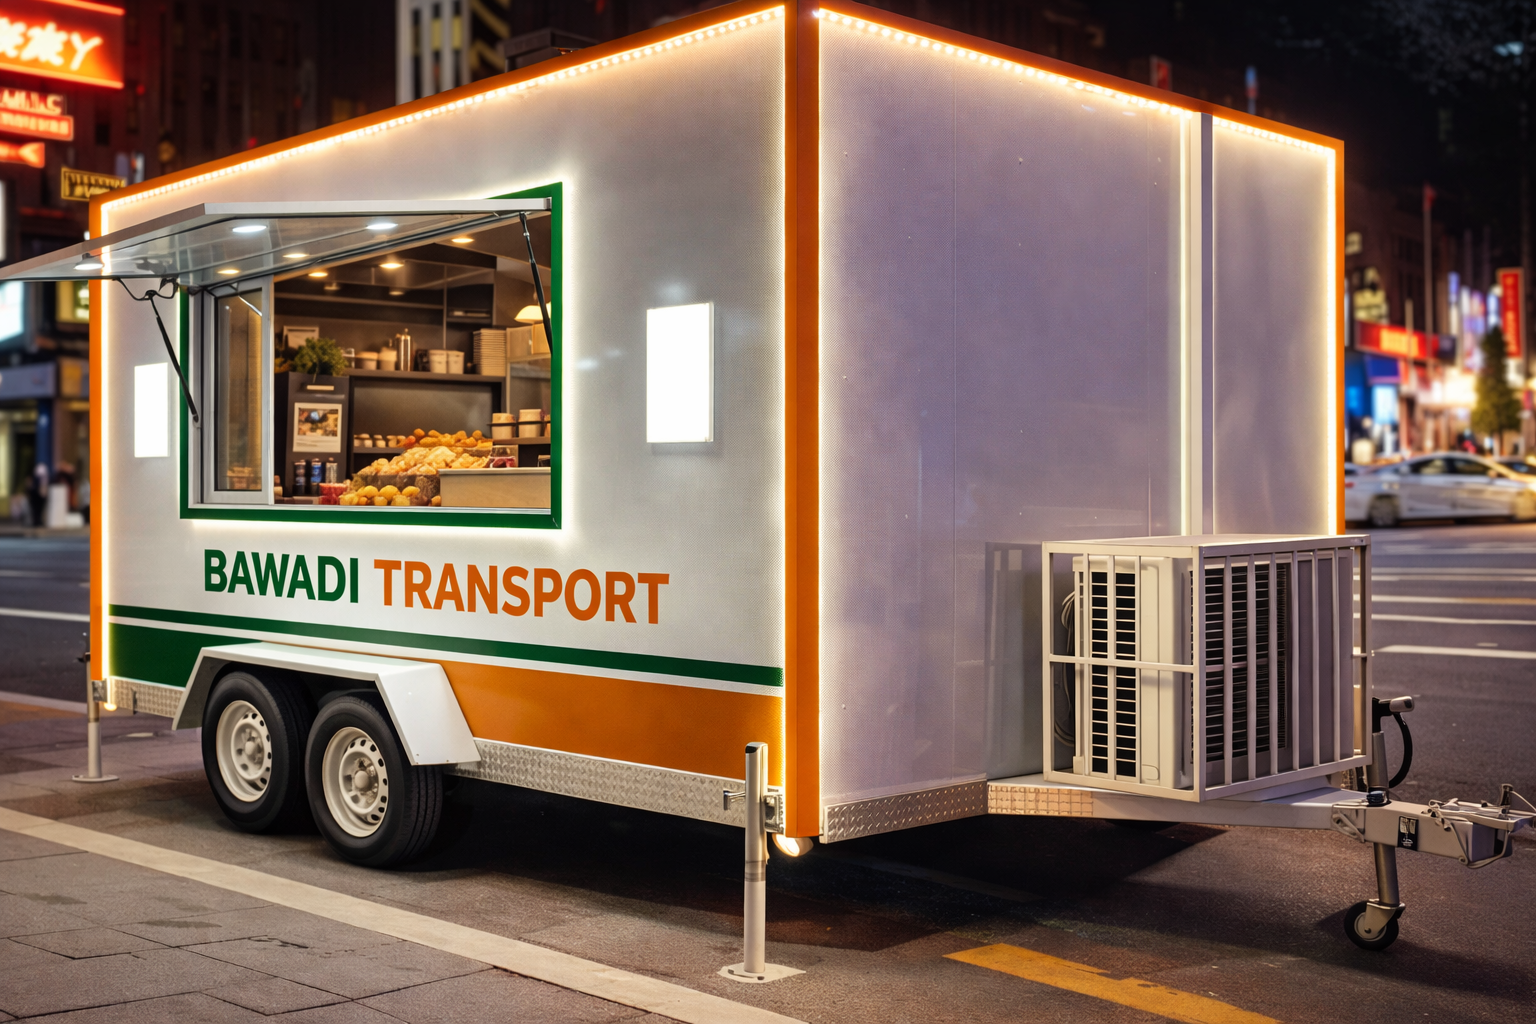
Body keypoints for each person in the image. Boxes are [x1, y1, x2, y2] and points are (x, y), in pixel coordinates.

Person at [26, 463, 47, 527]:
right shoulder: (36, 476)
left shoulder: (39, 475)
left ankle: (38, 521)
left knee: (38, 510)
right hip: (36, 494)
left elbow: (43, 485)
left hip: (37, 495)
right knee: (36, 510)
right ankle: (37, 521)